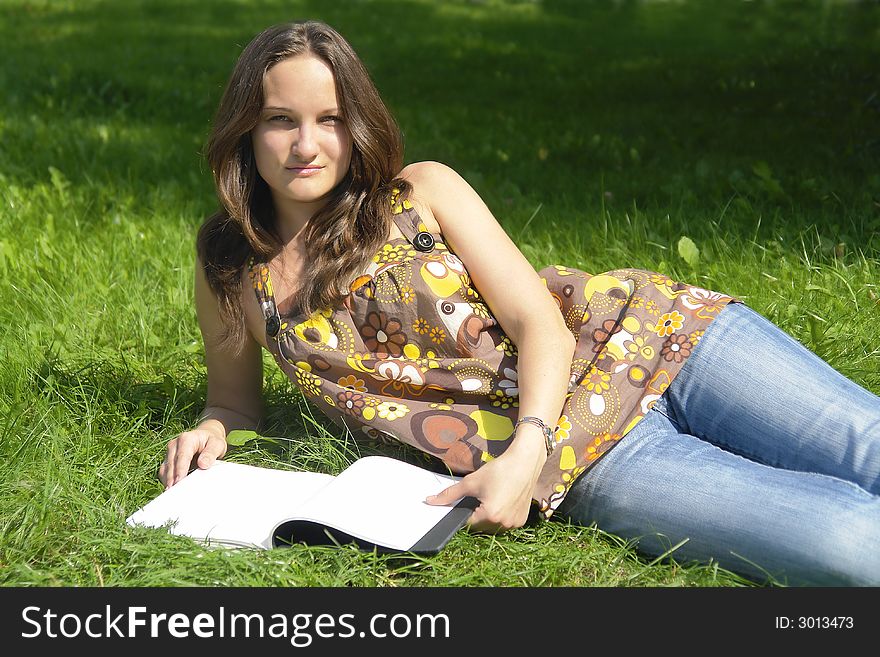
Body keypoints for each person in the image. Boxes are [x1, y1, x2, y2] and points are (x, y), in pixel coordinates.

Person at [158, 20, 880, 586]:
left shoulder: (419, 191)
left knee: (866, 444)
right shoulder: (230, 269)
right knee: (847, 546)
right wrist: (213, 430)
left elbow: (540, 322)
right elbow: (237, 406)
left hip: (661, 341)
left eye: (331, 118)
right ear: (246, 129)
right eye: (282, 119)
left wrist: (523, 452)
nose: (307, 144)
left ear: (359, 124)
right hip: (592, 461)